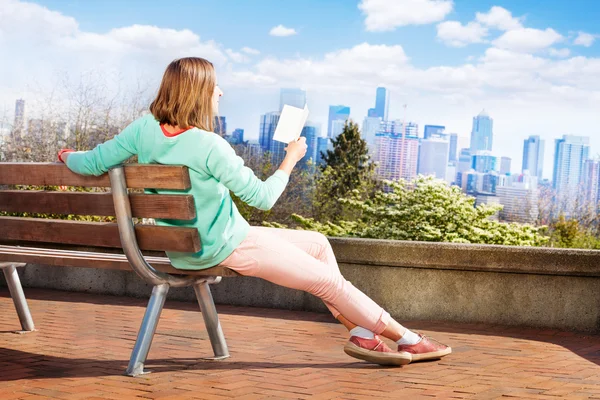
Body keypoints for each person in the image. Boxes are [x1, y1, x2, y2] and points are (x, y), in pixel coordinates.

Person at [59, 57, 451, 366]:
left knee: (316, 243)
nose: (221, 93)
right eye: (215, 88)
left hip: (183, 247)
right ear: (198, 93)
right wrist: (290, 160)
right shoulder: (209, 145)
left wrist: (65, 155)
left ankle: (360, 332)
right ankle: (407, 339)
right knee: (329, 284)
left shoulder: (142, 129)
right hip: (226, 246)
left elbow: (91, 162)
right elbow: (263, 198)